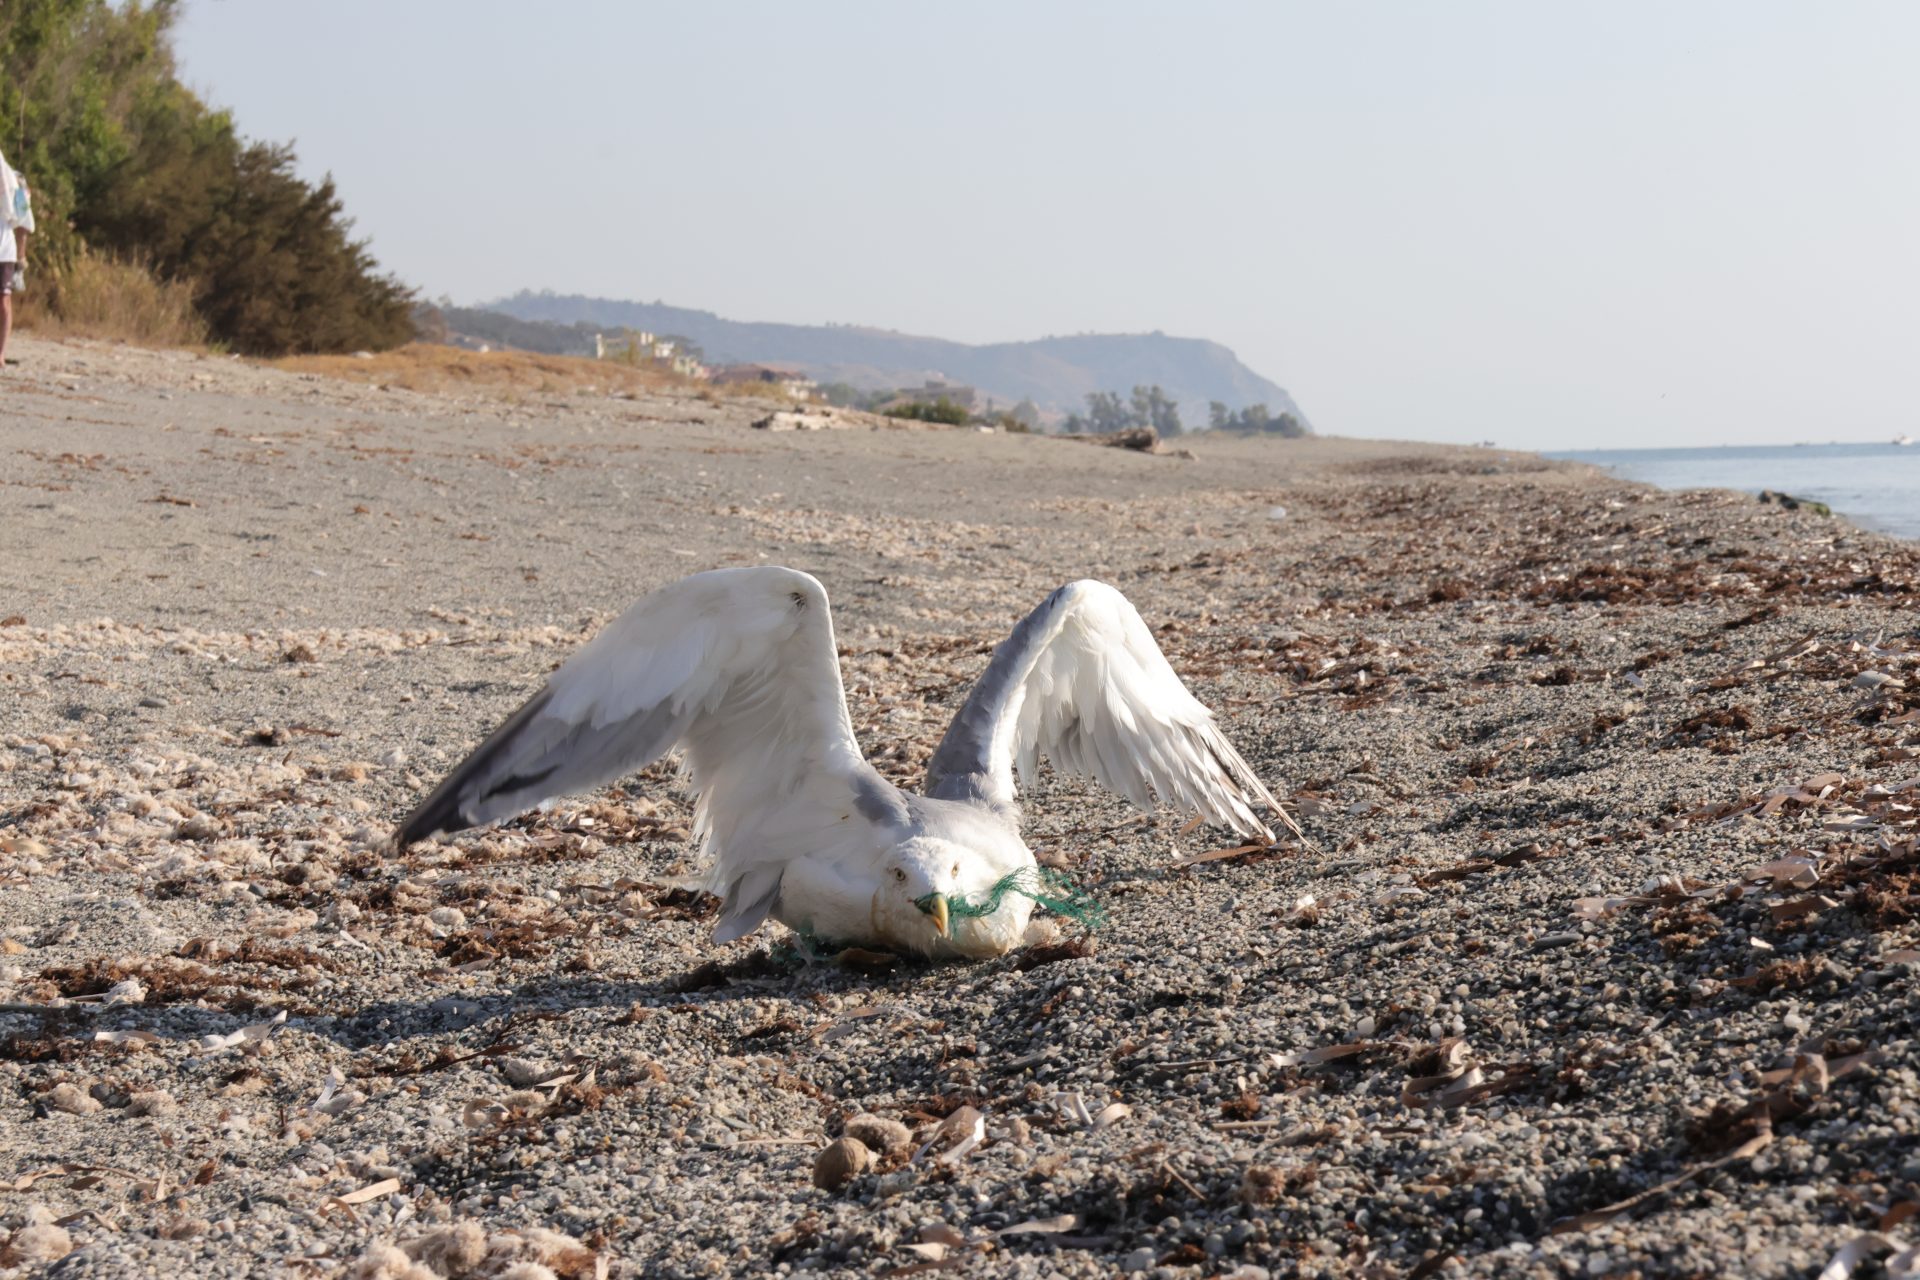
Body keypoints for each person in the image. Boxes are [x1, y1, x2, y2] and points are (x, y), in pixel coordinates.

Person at [0, 154, 31, 368]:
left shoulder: (15, 182)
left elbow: (24, 224)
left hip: (4, 251)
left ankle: (0, 352)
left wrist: (21, 257)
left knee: (3, 301)